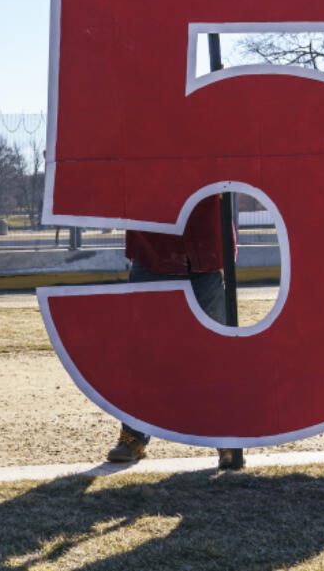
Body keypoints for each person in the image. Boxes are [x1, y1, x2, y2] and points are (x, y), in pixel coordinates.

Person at [104, 195, 244, 470]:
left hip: (204, 246)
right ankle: (134, 435)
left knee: (218, 352)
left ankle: (228, 437)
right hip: (152, 245)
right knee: (142, 352)